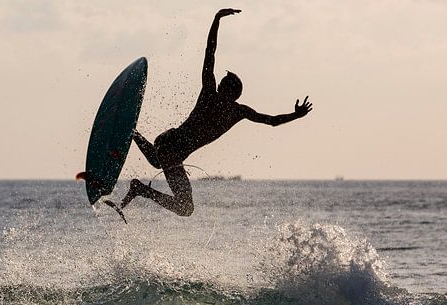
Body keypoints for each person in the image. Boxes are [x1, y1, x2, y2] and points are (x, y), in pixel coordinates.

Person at [110, 8, 313, 217]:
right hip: (172, 147)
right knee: (185, 207)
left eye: (224, 85)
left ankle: (132, 134)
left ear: (232, 92)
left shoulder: (234, 109)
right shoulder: (216, 97)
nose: (220, 86)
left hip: (168, 144)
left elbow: (271, 120)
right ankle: (139, 185)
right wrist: (216, 20)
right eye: (221, 84)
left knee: (159, 164)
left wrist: (295, 115)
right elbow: (210, 52)